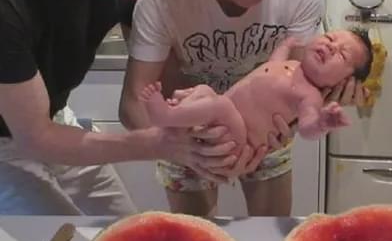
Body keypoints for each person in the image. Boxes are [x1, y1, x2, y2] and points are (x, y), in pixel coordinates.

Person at [120, 0, 370, 217]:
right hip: (182, 130)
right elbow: (133, 104)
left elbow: (303, 83)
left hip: (264, 136)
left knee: (270, 230)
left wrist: (316, 115)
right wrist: (182, 145)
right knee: (195, 233)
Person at [0, 0, 249, 215]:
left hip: (54, 118)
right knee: (58, 237)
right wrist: (156, 144)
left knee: (122, 224)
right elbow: (36, 138)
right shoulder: (7, 0)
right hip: (10, 141)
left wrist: (211, 120)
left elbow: (154, 87)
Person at [137, 29, 373, 175]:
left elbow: (307, 128)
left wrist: (322, 123)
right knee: (204, 91)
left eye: (342, 55)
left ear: (344, 83)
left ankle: (165, 116)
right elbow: (272, 64)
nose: (331, 46)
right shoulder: (292, 66)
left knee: (219, 104)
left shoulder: (310, 96)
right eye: (330, 37)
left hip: (236, 143)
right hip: (220, 127)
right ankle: (178, 118)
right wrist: (284, 47)